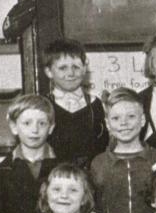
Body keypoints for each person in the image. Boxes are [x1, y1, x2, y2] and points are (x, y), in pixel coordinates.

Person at [41, 38, 108, 167]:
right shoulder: (43, 105)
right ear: (49, 72)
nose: (71, 73)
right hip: (55, 178)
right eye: (62, 68)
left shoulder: (95, 105)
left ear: (84, 69)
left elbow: (103, 146)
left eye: (76, 67)